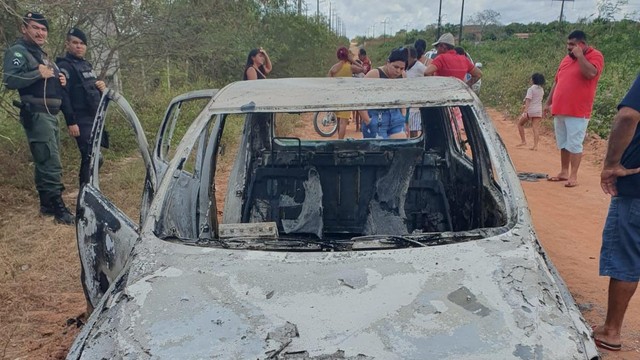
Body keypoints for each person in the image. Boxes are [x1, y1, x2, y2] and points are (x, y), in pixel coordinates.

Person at [2, 12, 75, 225]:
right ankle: (59, 208)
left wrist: (62, 77)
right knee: (50, 161)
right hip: (37, 115)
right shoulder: (18, 52)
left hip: (50, 115)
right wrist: (37, 74)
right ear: (24, 29)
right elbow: (10, 79)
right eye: (35, 28)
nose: (40, 32)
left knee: (45, 159)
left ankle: (46, 204)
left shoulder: (41, 54)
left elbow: (52, 76)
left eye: (43, 29)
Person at [591, 75, 640, 353]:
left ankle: (611, 331)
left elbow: (627, 116)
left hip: (636, 186)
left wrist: (611, 164)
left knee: (626, 254)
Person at [544, 30, 604, 188]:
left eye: (572, 44)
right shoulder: (565, 60)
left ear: (581, 44)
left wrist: (580, 57)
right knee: (563, 143)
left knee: (575, 143)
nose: (568, 47)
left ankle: (573, 176)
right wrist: (547, 103)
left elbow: (591, 73)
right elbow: (557, 82)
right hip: (560, 108)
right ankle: (564, 172)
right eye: (568, 44)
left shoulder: (594, 56)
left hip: (578, 110)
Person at [56, 28, 107, 187]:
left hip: (94, 117)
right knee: (91, 157)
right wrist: (71, 122)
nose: (79, 46)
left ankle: (90, 190)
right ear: (67, 44)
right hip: (80, 119)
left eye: (82, 43)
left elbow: (91, 90)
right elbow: (64, 96)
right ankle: (85, 197)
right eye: (75, 43)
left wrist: (101, 86)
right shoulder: (64, 66)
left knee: (94, 157)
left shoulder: (86, 65)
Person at [359, 47, 407, 139]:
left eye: (401, 68)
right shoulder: (374, 74)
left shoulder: (403, 75)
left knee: (399, 148)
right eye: (395, 67)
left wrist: (403, 114)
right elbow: (358, 95)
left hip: (396, 116)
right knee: (378, 151)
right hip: (377, 116)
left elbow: (403, 95)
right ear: (388, 62)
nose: (398, 71)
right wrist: (367, 119)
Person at [327, 46, 364, 139]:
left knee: (339, 120)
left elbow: (328, 80)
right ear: (347, 56)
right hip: (346, 96)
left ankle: (339, 138)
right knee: (343, 121)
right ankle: (340, 141)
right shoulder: (350, 67)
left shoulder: (333, 68)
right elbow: (362, 69)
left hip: (336, 96)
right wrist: (353, 60)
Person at [516, 73, 545, 151]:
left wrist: (525, 111)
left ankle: (523, 141)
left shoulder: (531, 89)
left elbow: (528, 100)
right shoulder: (541, 90)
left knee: (520, 124)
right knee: (535, 128)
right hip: (538, 110)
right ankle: (535, 146)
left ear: (533, 80)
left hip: (531, 110)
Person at [405, 46, 427, 138]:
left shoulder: (420, 67)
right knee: (409, 126)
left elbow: (429, 75)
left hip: (416, 104)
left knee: (414, 128)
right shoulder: (406, 67)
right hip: (407, 102)